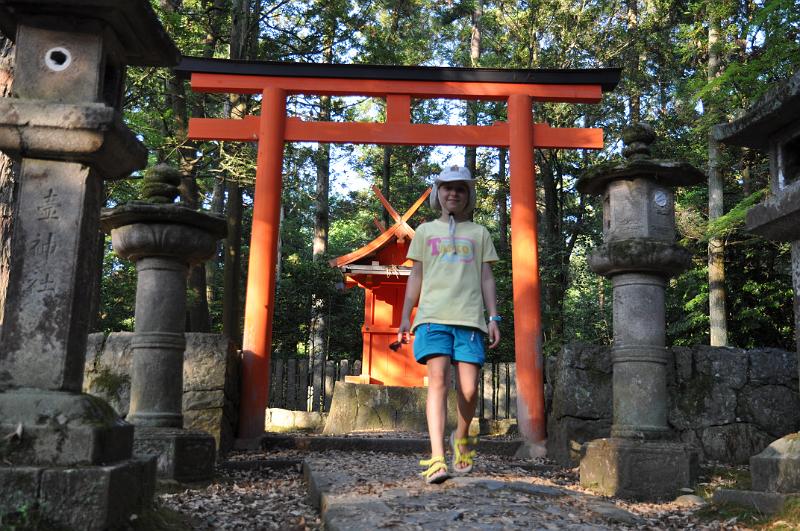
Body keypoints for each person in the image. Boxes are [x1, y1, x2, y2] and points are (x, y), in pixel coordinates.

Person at [397, 165, 501, 484]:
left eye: (459, 188)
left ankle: (462, 435)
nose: (452, 193)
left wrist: (493, 316)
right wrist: (405, 315)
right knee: (438, 380)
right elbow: (416, 275)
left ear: (468, 195)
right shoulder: (426, 231)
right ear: (437, 193)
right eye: (446, 187)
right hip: (432, 317)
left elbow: (486, 276)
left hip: (469, 319)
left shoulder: (479, 233)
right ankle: (437, 457)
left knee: (469, 389)